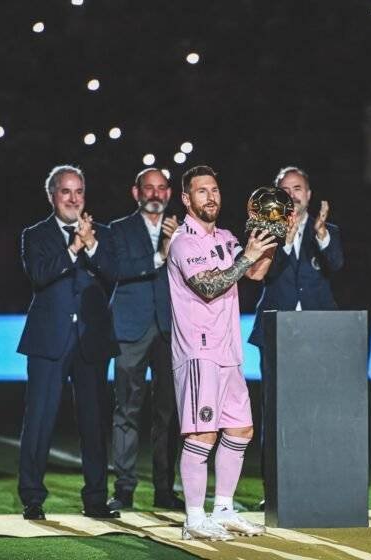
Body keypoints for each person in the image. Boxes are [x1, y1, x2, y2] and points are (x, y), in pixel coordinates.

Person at [167, 165, 275, 540]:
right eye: (201, 191)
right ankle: (194, 519)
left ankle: (224, 509)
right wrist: (246, 257)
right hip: (199, 352)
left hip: (228, 351)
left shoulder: (227, 237)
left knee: (241, 429)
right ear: (186, 199)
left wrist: (274, 238)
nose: (210, 196)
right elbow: (208, 286)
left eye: (214, 189)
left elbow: (255, 273)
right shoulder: (183, 242)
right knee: (202, 434)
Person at [16, 165, 120, 520]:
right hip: (49, 339)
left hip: (91, 340)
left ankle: (95, 499)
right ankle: (32, 498)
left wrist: (90, 245)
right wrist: (74, 247)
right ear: (52, 196)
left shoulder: (101, 234)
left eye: (79, 192)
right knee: (40, 420)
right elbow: (40, 275)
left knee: (93, 423)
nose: (73, 199)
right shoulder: (35, 235)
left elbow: (115, 274)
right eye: (66, 192)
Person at [247, 166, 344, 506]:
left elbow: (337, 265)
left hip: (319, 333)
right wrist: (284, 243)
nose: (293, 193)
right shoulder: (265, 232)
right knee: (274, 414)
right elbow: (263, 275)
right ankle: (273, 493)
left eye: (298, 187)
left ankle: (315, 488)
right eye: (285, 189)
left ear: (309, 194)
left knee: (317, 411)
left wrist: (320, 236)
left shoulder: (326, 230)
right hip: (276, 331)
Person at [106, 168, 183, 511]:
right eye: (148, 188)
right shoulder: (117, 230)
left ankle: (165, 490)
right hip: (129, 329)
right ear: (135, 192)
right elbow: (116, 269)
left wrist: (179, 244)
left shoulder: (185, 229)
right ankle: (123, 488)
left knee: (170, 413)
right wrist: (161, 253)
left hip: (172, 328)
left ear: (169, 193)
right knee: (127, 409)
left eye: (161, 188)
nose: (155, 193)